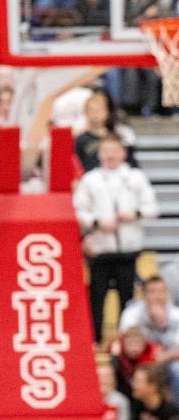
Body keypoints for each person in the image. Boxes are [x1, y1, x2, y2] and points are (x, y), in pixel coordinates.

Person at [74, 133, 159, 344]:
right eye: (106, 151)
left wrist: (135, 214)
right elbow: (78, 209)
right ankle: (95, 340)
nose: (110, 156)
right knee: (97, 297)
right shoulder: (90, 179)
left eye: (114, 151)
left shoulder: (135, 177)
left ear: (123, 153)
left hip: (128, 248)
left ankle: (124, 342)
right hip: (101, 248)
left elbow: (152, 207)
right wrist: (95, 222)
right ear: (99, 154)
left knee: (127, 299)